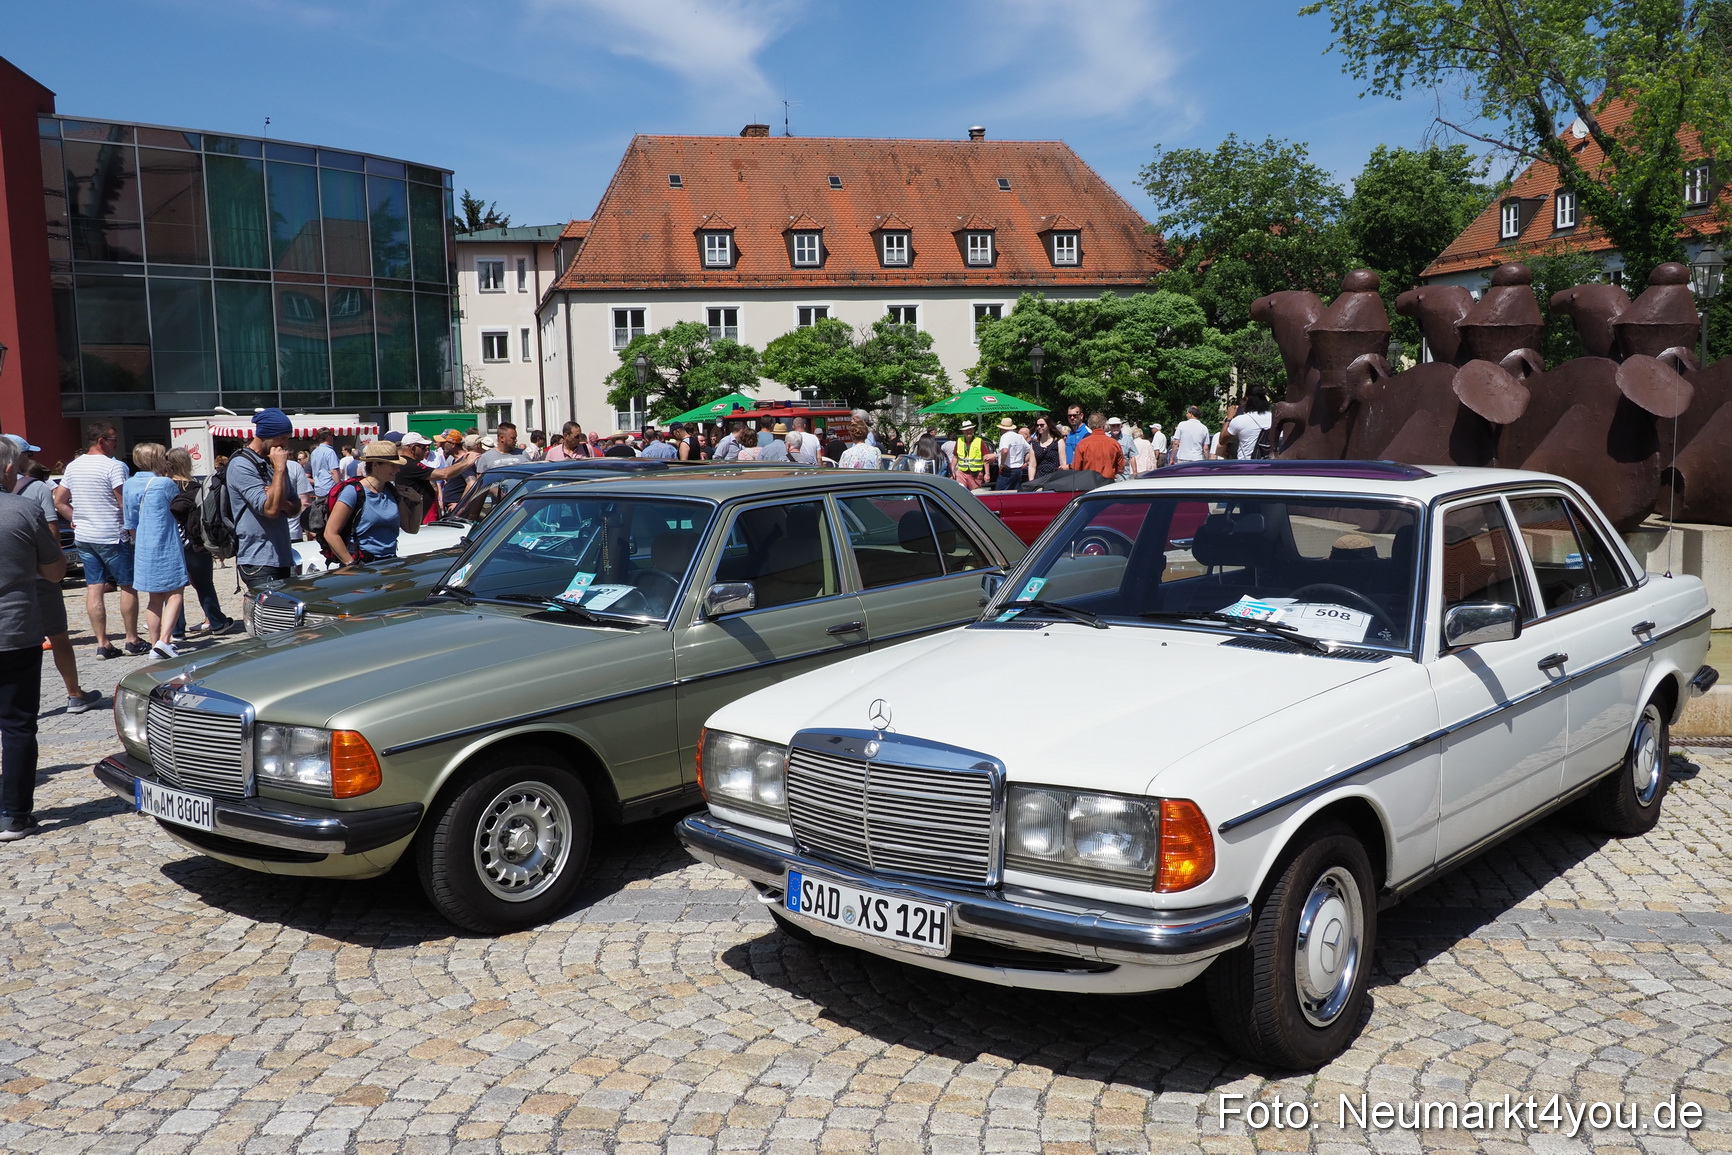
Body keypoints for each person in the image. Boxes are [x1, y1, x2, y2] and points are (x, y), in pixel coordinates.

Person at [0, 436, 65, 841]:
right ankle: (13, 814)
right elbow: (56, 572)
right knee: (18, 724)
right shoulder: (23, 510)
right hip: (14, 629)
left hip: (16, 630)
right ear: (8, 469)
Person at [5, 436, 99, 713]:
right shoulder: (37, 488)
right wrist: (54, 568)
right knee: (58, 635)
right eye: (27, 454)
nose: (30, 459)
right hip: (38, 576)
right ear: (15, 459)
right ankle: (74, 693)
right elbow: (51, 531)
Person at [54, 422, 144, 659]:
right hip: (112, 534)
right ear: (102, 441)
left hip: (85, 535)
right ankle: (131, 639)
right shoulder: (114, 467)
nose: (116, 443)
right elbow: (123, 503)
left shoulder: (74, 466)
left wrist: (75, 517)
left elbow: (59, 500)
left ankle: (103, 643)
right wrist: (135, 529)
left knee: (94, 587)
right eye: (114, 439)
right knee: (127, 585)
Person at [122, 443, 190, 659]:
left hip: (143, 544)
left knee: (154, 598)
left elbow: (129, 521)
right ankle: (165, 640)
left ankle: (155, 645)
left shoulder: (129, 484)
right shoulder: (165, 484)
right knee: (176, 593)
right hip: (166, 541)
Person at [165, 448, 241, 639]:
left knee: (173, 588)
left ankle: (175, 628)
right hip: (195, 543)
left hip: (171, 543)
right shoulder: (196, 487)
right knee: (204, 584)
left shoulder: (164, 486)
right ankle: (216, 621)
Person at [229, 407, 301, 590]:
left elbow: (295, 507)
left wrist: (280, 502)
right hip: (258, 559)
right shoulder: (241, 464)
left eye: (287, 438)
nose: (285, 444)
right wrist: (279, 470)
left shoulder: (274, 462)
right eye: (281, 438)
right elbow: (269, 510)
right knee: (269, 615)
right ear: (265, 436)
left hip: (283, 556)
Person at [324, 440, 416, 566]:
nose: (398, 469)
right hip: (363, 565)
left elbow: (411, 528)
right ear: (375, 465)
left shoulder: (392, 491)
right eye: (392, 465)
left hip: (391, 563)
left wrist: (418, 501)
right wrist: (351, 564)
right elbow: (330, 533)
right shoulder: (353, 492)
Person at [1225, 386, 1275, 459]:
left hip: (1246, 466)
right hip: (1269, 465)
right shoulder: (1274, 418)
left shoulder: (1240, 420)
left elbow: (1222, 440)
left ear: (1247, 399)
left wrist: (1229, 418)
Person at [1070, 413, 1124, 480]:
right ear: (1104, 425)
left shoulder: (1082, 444)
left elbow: (1076, 468)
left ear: (1089, 425)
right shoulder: (1114, 444)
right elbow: (1120, 469)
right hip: (1108, 484)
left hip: (1088, 483)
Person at [995, 417, 1031, 490]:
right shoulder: (1019, 437)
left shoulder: (1004, 437)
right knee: (1015, 494)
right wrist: (1026, 462)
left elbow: (1005, 451)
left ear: (1002, 428)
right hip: (1018, 469)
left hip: (1007, 470)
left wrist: (1002, 464)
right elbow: (1030, 449)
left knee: (999, 494)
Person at [953, 421, 988, 489]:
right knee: (961, 492)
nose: (968, 431)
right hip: (962, 473)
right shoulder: (959, 441)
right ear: (963, 431)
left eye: (970, 429)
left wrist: (987, 473)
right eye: (966, 430)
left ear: (973, 430)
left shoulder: (979, 441)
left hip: (975, 474)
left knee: (974, 495)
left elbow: (986, 458)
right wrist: (952, 471)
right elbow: (955, 457)